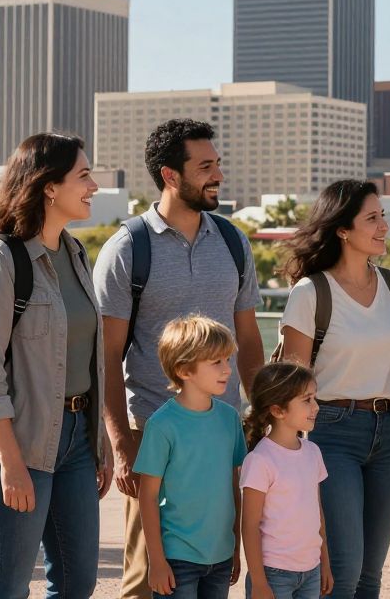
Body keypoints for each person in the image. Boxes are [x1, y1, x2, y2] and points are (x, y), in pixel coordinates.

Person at [94, 119, 264, 599]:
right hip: (155, 431)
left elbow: (249, 339)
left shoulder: (233, 241)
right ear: (171, 176)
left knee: (213, 568)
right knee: (148, 579)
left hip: (223, 430)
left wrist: (260, 417)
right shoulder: (128, 248)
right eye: (205, 167)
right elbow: (106, 355)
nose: (218, 176)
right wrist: (122, 443)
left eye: (218, 164)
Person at [0, 132, 112, 598]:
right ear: (49, 186)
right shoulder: (0, 259)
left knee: (77, 582)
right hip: (16, 443)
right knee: (7, 587)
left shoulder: (77, 253)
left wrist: (98, 440)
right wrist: (10, 461)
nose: (94, 185)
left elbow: (87, 358)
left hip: (77, 442)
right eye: (84, 175)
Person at [279, 179, 390, 598]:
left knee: (371, 575)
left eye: (383, 216)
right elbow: (292, 381)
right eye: (372, 218)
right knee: (344, 571)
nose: (383, 226)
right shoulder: (310, 292)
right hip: (332, 433)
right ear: (342, 229)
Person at [134, 315, 247, 599]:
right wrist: (157, 562)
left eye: (228, 360)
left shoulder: (230, 419)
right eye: (216, 362)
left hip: (221, 558)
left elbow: (233, 485)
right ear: (184, 370)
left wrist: (235, 546)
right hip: (177, 559)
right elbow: (147, 496)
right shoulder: (162, 425)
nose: (228, 370)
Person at [240, 361, 333, 599]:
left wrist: (324, 563)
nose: (316, 407)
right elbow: (249, 526)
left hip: (310, 571)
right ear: (278, 410)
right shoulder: (260, 460)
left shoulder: (313, 452)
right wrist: (259, 583)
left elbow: (317, 513)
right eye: (306, 400)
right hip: (273, 575)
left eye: (314, 398)